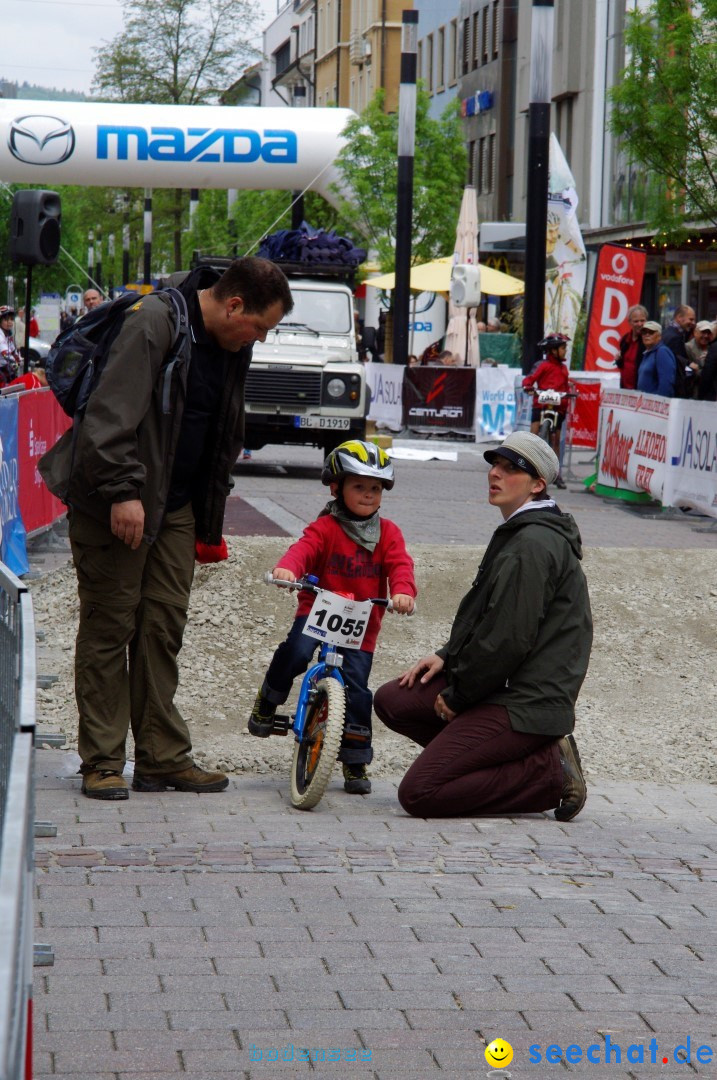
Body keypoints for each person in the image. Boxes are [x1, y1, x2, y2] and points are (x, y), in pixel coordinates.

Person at [39, 257, 294, 801]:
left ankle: (161, 758)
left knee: (161, 628)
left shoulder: (232, 343)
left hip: (174, 506)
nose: (260, 339)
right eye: (260, 327)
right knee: (111, 629)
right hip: (118, 501)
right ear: (233, 305)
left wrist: (208, 514)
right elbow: (109, 417)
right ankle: (104, 761)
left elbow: (221, 428)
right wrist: (123, 493)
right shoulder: (154, 322)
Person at [374, 431, 592, 821]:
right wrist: (447, 656)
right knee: (395, 700)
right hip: (506, 685)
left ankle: (547, 774)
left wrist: (460, 696)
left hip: (528, 701)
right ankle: (500, 759)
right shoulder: (521, 532)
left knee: (420, 794)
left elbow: (508, 638)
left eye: (511, 469)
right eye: (494, 464)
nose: (495, 473)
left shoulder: (532, 545)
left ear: (538, 484)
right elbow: (491, 618)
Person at [248, 440, 416, 795]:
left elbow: (400, 564)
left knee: (357, 691)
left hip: (360, 626)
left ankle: (355, 761)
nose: (369, 495)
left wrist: (403, 591)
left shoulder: (389, 534)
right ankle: (268, 699)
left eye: (375, 488)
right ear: (336, 487)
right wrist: (288, 569)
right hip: (317, 612)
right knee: (295, 651)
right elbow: (303, 549)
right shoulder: (325, 527)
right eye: (359, 487)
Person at [522, 332, 572, 489]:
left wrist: (568, 397)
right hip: (541, 405)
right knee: (533, 433)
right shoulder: (542, 365)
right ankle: (526, 470)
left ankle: (556, 474)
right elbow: (529, 379)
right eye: (563, 348)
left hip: (558, 407)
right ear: (553, 350)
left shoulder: (563, 369)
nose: (565, 351)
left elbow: (565, 387)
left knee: (556, 440)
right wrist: (528, 387)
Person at [636, 321, 677, 397]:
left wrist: (660, 403)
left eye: (651, 332)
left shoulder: (662, 351)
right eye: (644, 332)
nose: (647, 335)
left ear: (659, 336)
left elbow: (666, 383)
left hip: (656, 404)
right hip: (644, 404)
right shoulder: (647, 353)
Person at [662, 304, 696, 397]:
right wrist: (690, 366)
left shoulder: (669, 332)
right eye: (691, 319)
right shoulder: (675, 337)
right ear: (679, 318)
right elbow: (676, 362)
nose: (693, 323)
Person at [613, 304, 647, 390]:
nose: (640, 324)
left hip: (641, 390)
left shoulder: (648, 340)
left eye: (642, 320)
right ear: (629, 322)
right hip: (625, 389)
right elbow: (623, 365)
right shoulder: (625, 340)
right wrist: (618, 360)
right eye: (636, 321)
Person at [685, 319, 712, 395]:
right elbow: (686, 370)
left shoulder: (712, 348)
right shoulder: (688, 347)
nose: (706, 336)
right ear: (695, 332)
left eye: (708, 333)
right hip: (693, 391)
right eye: (703, 332)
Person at [0, 306, 21, 385]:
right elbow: (6, 354)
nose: (10, 322)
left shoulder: (8, 334)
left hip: (5, 368)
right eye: (6, 320)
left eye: (11, 319)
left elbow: (13, 351)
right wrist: (15, 363)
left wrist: (19, 360)